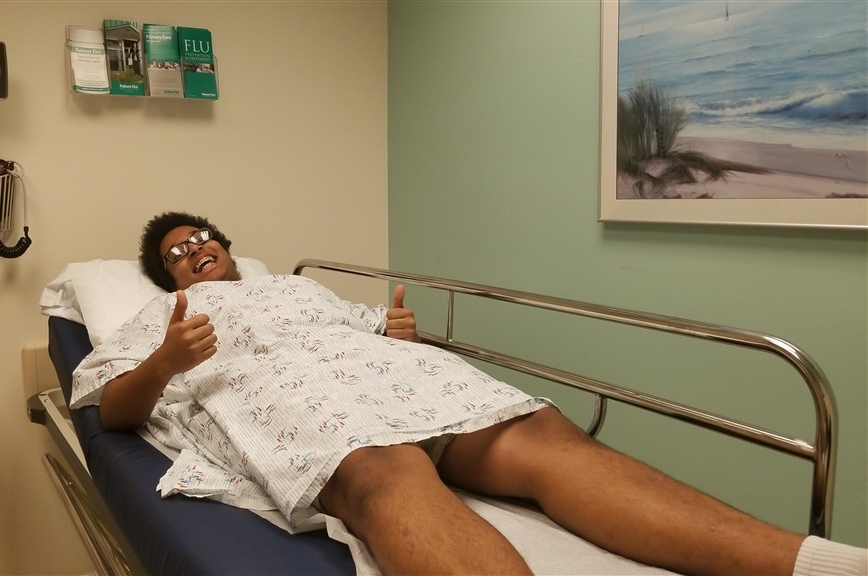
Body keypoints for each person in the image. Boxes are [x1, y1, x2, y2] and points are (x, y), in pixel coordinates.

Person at [71, 211, 867, 576]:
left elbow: (378, 326)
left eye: (201, 237)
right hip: (296, 400)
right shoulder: (161, 316)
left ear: (227, 243)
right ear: (166, 276)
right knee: (381, 470)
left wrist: (396, 328)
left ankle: (824, 568)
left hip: (395, 377)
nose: (194, 251)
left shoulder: (297, 287)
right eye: (176, 253)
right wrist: (167, 360)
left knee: (547, 437)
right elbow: (114, 410)